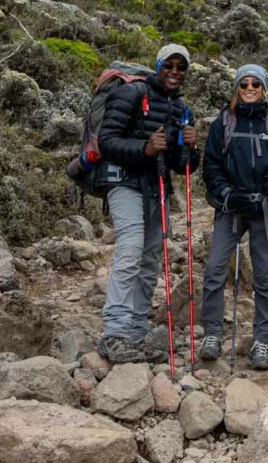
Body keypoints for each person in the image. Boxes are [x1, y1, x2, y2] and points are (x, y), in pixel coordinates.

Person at [95, 43, 200, 364]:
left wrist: (191, 148)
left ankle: (137, 333)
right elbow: (107, 141)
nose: (174, 72)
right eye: (169, 65)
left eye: (181, 68)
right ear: (158, 66)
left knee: (152, 258)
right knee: (130, 250)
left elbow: (184, 165)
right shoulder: (132, 94)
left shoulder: (181, 108)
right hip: (124, 182)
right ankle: (114, 333)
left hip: (157, 187)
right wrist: (145, 149)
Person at [197, 63, 268, 370]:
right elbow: (211, 167)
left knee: (264, 276)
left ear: (264, 87)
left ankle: (262, 340)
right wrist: (226, 194)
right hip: (231, 209)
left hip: (265, 210)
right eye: (244, 84)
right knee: (214, 270)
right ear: (236, 89)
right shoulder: (223, 124)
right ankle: (212, 334)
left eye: (255, 84)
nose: (250, 89)